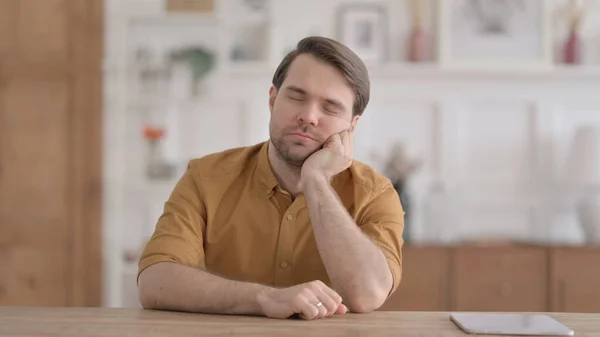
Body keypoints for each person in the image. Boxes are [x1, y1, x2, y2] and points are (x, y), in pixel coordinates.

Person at [137, 36, 405, 320]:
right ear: (273, 100)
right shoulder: (205, 178)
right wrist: (264, 298)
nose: (309, 116)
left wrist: (316, 181)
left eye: (330, 107)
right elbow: (155, 282)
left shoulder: (375, 193)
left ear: (352, 125)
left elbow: (367, 294)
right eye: (296, 97)